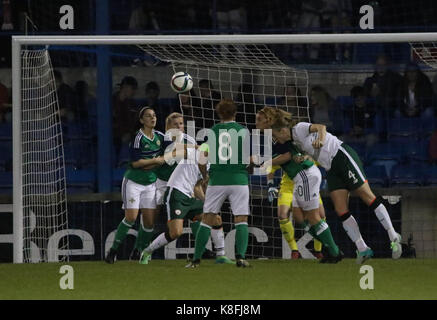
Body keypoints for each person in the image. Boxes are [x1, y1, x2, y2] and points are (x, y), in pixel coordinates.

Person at [267, 108, 403, 264]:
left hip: (341, 156)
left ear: (283, 130)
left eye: (275, 134)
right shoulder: (294, 142)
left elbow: (321, 127)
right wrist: (305, 157)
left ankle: (393, 236)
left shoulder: (298, 128)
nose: (276, 138)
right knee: (341, 210)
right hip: (330, 168)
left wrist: (322, 140)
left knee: (367, 196)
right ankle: (363, 248)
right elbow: (310, 154)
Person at [259, 120, 344, 263]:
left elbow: (287, 156)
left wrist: (267, 162)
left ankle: (334, 251)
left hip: (304, 175)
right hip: (300, 178)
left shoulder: (281, 139)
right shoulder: (275, 140)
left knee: (314, 217)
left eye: (258, 118)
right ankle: (331, 248)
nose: (256, 121)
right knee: (302, 220)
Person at [139, 143, 234, 265]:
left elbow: (197, 187)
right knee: (175, 232)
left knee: (216, 219)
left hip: (190, 197)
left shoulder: (209, 165)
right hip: (176, 194)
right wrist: (193, 146)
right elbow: (178, 147)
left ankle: (221, 256)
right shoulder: (194, 154)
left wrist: (207, 202)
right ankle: (147, 252)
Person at [187, 99, 251, 268]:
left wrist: (205, 175)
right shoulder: (242, 131)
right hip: (239, 180)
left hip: (217, 180)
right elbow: (246, 160)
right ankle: (241, 258)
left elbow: (202, 158)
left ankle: (195, 261)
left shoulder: (213, 131)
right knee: (241, 219)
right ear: (235, 113)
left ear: (219, 113)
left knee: (207, 218)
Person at [255, 109, 324, 259]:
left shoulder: (311, 146)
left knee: (320, 216)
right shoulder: (282, 142)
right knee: (282, 214)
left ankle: (319, 250)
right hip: (289, 185)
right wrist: (271, 184)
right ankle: (294, 250)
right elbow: (272, 167)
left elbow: (317, 162)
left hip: (308, 182)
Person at [105, 107, 166, 263]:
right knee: (131, 217)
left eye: (154, 115)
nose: (153, 118)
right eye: (148, 116)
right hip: (133, 183)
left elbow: (169, 153)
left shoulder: (160, 137)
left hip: (151, 183)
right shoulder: (138, 138)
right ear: (141, 120)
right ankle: (113, 251)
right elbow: (136, 163)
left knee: (149, 222)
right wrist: (155, 161)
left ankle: (138, 251)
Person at [112, 76, 139, 153]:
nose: (134, 92)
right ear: (125, 87)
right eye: (132, 88)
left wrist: (129, 134)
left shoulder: (133, 104)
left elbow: (134, 124)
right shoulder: (111, 101)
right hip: (113, 137)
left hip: (128, 137)